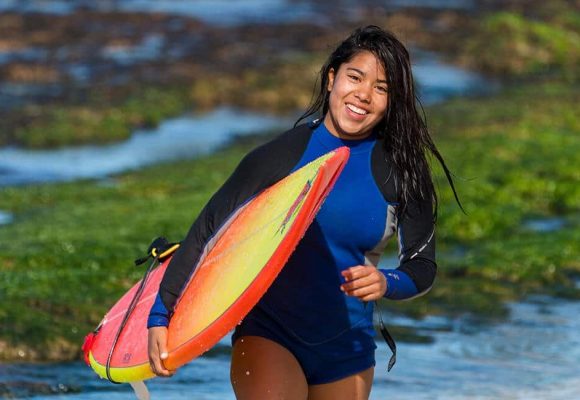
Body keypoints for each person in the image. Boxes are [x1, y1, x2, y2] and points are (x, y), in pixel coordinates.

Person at [147, 25, 459, 399]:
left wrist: (385, 282)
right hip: (270, 332)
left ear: (393, 101)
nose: (363, 95)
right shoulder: (282, 156)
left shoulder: (402, 171)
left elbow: (422, 267)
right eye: (355, 77)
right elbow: (206, 232)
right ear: (332, 79)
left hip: (347, 346)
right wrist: (160, 317)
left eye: (382, 88)